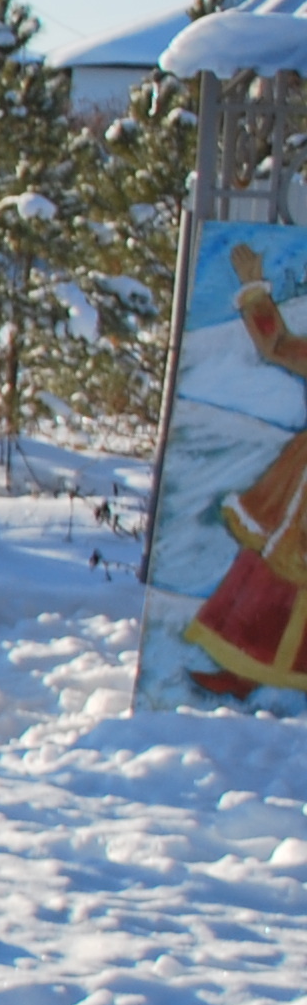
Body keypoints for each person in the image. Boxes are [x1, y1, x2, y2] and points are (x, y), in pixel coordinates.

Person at [187, 238, 307, 698]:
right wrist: (254, 288)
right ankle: (242, 669)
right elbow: (277, 344)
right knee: (268, 567)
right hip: (299, 488)